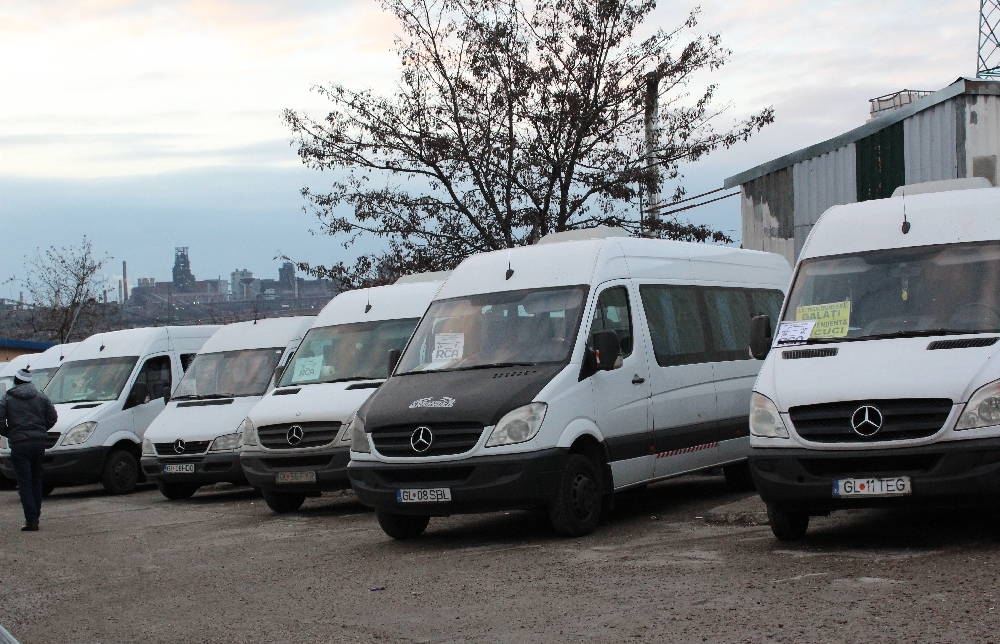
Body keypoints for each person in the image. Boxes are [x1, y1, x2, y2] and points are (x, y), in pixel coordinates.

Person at [0, 369, 57, 531]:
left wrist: (10, 432)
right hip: (39, 443)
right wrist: (40, 430)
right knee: (36, 479)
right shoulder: (41, 396)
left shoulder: (7, 398)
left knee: (24, 482)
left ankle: (31, 520)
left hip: (19, 444)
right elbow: (52, 417)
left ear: (16, 381)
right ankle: (35, 515)